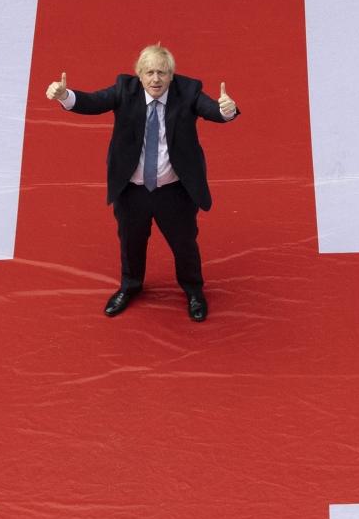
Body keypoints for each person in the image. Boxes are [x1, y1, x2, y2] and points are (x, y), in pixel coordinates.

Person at [46, 44, 238, 322]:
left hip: (174, 191)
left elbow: (212, 110)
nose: (155, 79)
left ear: (172, 75)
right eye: (149, 73)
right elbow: (94, 102)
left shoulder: (189, 91)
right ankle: (130, 286)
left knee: (184, 244)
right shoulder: (125, 89)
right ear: (139, 75)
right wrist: (65, 96)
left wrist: (226, 110)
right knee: (130, 242)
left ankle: (194, 291)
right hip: (132, 191)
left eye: (162, 72)